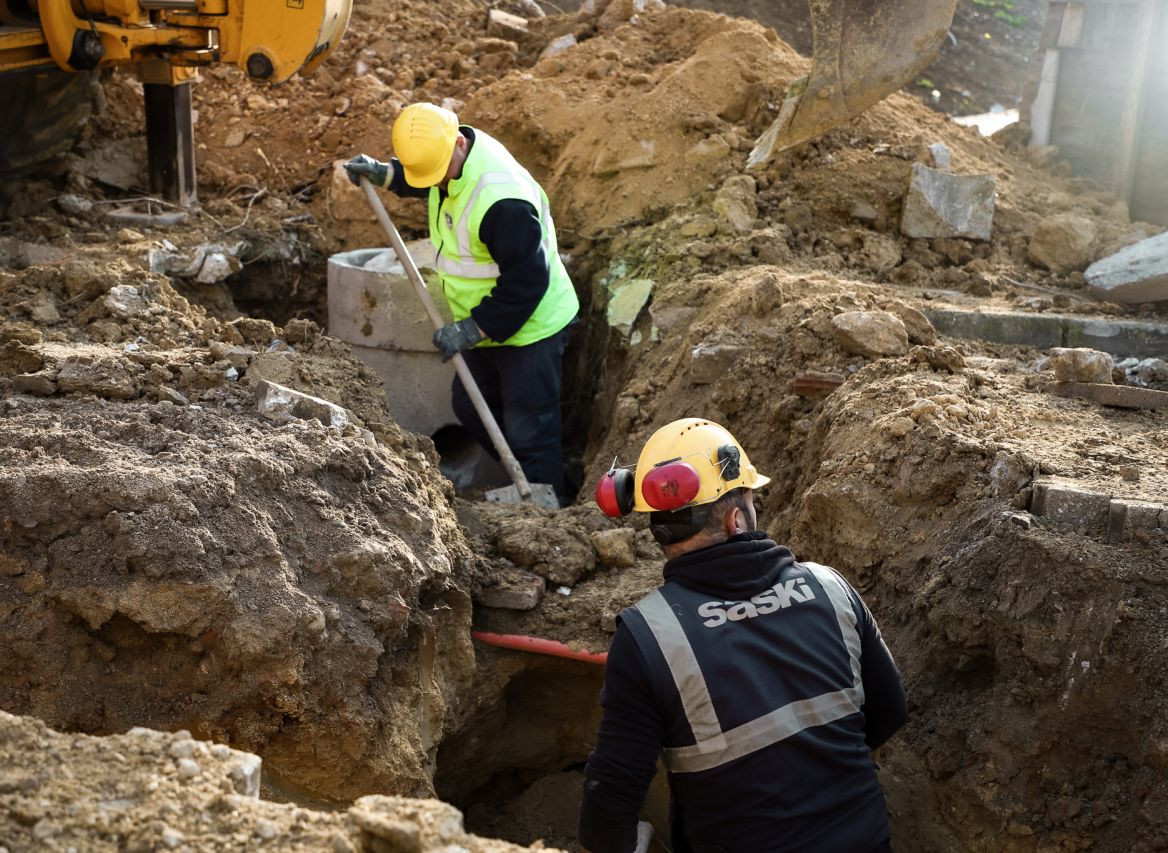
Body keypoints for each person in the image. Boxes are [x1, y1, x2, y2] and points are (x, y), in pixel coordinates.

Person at [582, 418, 908, 853]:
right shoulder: (830, 588)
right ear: (737, 518)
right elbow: (890, 711)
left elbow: (612, 798)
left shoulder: (650, 637)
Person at [344, 103, 579, 502]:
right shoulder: (454, 156)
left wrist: (473, 328)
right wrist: (389, 174)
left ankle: (550, 512)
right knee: (470, 407)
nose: (433, 181)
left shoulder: (502, 202)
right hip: (488, 320)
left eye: (435, 170)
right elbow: (432, 176)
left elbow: (528, 281)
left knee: (529, 427)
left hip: (532, 324)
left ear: (458, 142)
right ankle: (532, 480)